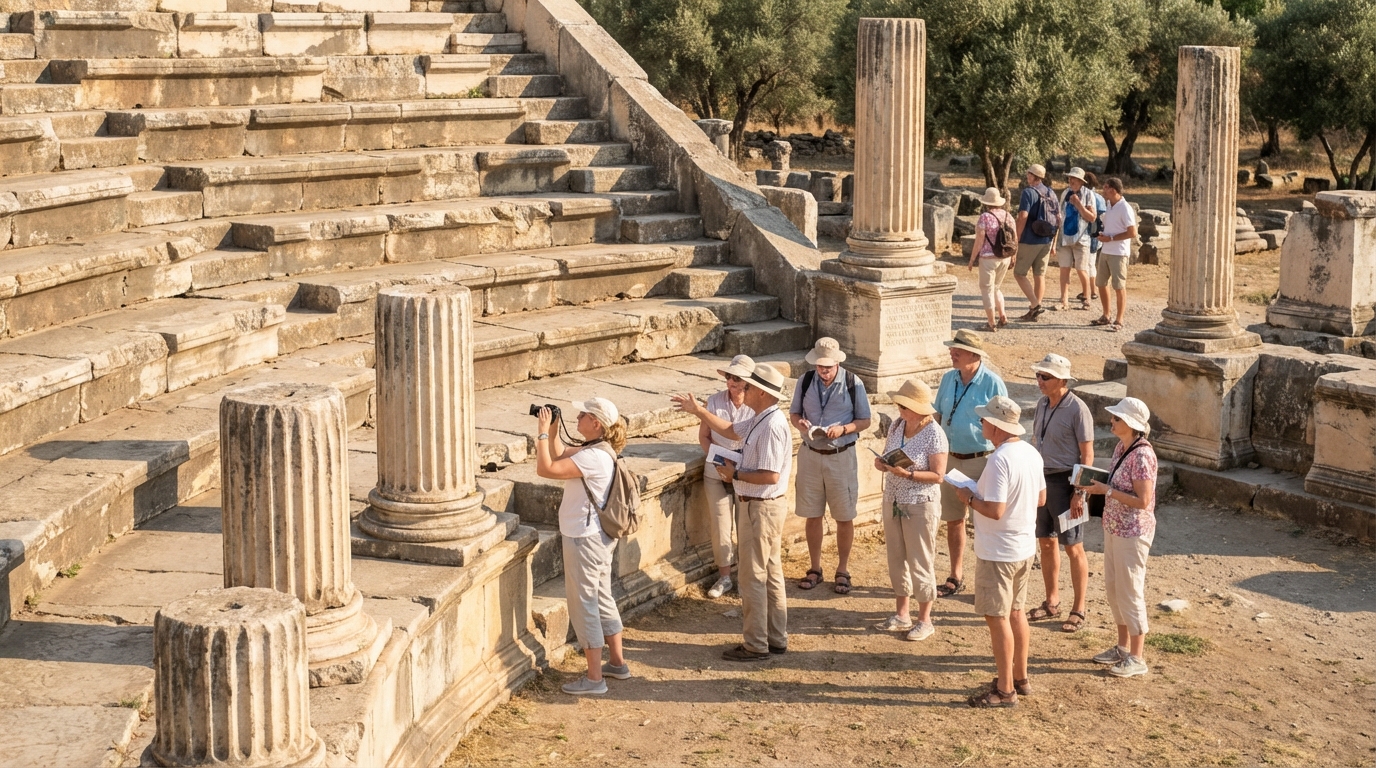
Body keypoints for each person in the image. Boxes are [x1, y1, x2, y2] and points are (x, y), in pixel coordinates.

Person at [671, 364, 793, 661]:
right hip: (762, 507)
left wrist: (735, 475)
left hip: (760, 508)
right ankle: (775, 638)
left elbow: (770, 476)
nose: (742, 389)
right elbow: (728, 430)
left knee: (752, 577)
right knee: (771, 573)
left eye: (748, 386)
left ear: (762, 393)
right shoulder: (760, 419)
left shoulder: (771, 426)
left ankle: (756, 644)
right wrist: (698, 411)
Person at [952, 396, 1045, 708]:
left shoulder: (999, 460)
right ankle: (1021, 676)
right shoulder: (1031, 453)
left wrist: (968, 497)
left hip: (998, 550)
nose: (981, 424)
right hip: (1023, 546)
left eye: (984, 420)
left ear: (995, 425)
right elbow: (1041, 499)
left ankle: (1005, 689)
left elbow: (994, 510)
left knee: (997, 618)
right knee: (1017, 613)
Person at [535, 397, 631, 695]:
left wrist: (539, 433)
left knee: (584, 603)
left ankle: (594, 679)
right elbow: (561, 452)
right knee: (601, 597)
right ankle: (616, 664)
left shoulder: (593, 457)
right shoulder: (600, 449)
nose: (577, 416)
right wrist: (552, 429)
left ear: (596, 424)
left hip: (584, 538)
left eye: (584, 414)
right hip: (596, 537)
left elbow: (546, 468)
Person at [789, 338, 872, 595]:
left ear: (837, 362)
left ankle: (843, 569)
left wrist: (843, 429)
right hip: (810, 453)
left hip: (841, 454)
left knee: (844, 515)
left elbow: (865, 420)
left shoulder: (853, 383)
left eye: (828, 366)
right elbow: (793, 414)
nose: (823, 371)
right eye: (819, 366)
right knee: (812, 513)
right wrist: (801, 424)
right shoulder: (804, 381)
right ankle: (815, 568)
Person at [1085, 397, 1159, 678]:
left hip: (1133, 531)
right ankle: (1122, 647)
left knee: (1130, 590)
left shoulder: (1142, 455)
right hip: (1115, 527)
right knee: (1115, 588)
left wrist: (1107, 492)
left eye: (1116, 419)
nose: (1111, 422)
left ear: (1130, 424)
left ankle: (1137, 657)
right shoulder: (1122, 447)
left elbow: (1143, 501)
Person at [934, 329, 1008, 599]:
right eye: (952, 348)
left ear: (974, 355)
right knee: (954, 520)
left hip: (981, 461)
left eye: (958, 350)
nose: (952, 353)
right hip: (950, 459)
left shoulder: (993, 383)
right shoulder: (947, 378)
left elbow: (1003, 423)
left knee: (984, 523)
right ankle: (956, 575)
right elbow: (938, 413)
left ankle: (986, 579)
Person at [873, 379, 949, 642]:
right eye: (900, 405)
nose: (900, 409)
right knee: (896, 557)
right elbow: (887, 454)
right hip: (893, 498)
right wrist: (882, 463)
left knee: (920, 560)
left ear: (919, 408)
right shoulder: (897, 424)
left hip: (920, 503)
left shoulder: (935, 433)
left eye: (905, 406)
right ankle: (902, 613)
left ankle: (925, 619)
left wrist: (908, 473)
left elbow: (939, 475)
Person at [1026, 354, 1094, 633]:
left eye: (1046, 377)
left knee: (1073, 546)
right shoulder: (1042, 403)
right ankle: (1052, 601)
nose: (1039, 381)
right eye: (1039, 375)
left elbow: (1088, 454)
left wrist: (1080, 493)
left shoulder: (1078, 409)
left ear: (1062, 381)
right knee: (1045, 541)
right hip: (1042, 480)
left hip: (1066, 482)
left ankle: (1079, 608)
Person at [698, 355, 757, 600]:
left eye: (737, 378)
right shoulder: (713, 401)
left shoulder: (756, 406)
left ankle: (745, 577)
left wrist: (738, 464)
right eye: (729, 377)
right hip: (716, 469)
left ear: (748, 383)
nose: (731, 382)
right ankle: (725, 577)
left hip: (746, 472)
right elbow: (704, 436)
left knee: (745, 526)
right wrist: (718, 459)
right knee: (721, 524)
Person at [1013, 163, 1058, 322]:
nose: (1027, 176)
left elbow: (1023, 216)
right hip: (1046, 239)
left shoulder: (1028, 192)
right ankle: (1034, 310)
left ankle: (1035, 304)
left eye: (1028, 174)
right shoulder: (1051, 193)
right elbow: (1058, 218)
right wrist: (1054, 241)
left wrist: (1016, 238)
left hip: (1029, 239)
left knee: (1019, 273)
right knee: (1039, 275)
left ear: (1033, 176)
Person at [1092, 176, 1137, 332]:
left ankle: (1119, 319)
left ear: (1112, 189)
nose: (1103, 190)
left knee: (1119, 286)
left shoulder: (1125, 208)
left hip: (1119, 252)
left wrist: (1110, 238)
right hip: (1106, 250)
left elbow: (1132, 232)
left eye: (1105, 187)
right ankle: (1106, 315)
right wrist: (1103, 235)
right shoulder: (1109, 205)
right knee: (1101, 283)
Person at [967, 186, 1013, 332]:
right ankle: (1003, 315)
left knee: (986, 289)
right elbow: (1015, 238)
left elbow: (979, 240)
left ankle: (991, 323)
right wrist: (1013, 256)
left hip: (988, 258)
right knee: (996, 287)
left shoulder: (984, 217)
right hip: (1004, 257)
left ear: (987, 202)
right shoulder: (1008, 216)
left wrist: (972, 258)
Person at [1053, 168, 1098, 312]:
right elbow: (1059, 216)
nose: (1071, 181)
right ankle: (1063, 301)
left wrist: (1079, 204)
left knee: (1081, 269)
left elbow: (1092, 217)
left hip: (1082, 239)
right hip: (1065, 238)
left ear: (1081, 181)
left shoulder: (1088, 194)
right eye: (1070, 178)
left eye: (1074, 179)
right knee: (1064, 269)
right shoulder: (1065, 193)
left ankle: (1087, 298)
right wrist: (1055, 240)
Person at [1080, 172, 1106, 302]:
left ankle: (1092, 291)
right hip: (1096, 234)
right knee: (1090, 262)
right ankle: (1090, 289)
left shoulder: (1088, 197)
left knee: (1088, 263)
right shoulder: (1099, 198)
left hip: (1090, 234)